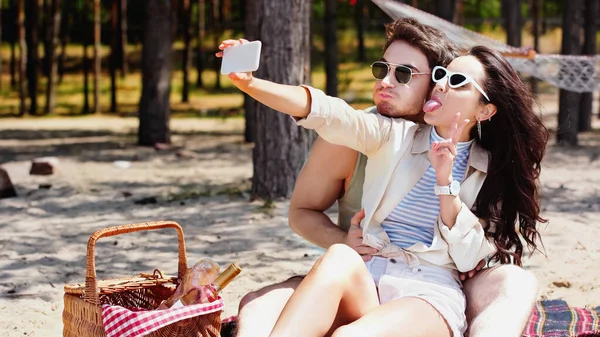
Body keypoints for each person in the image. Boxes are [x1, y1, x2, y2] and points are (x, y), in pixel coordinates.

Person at [221, 19, 545, 337]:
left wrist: (446, 184)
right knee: (338, 256)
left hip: (428, 290)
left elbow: (469, 258)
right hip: (369, 276)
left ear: (485, 110)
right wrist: (250, 83)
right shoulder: (394, 135)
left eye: (458, 80)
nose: (442, 84)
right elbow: (329, 112)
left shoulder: (492, 170)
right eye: (442, 75)